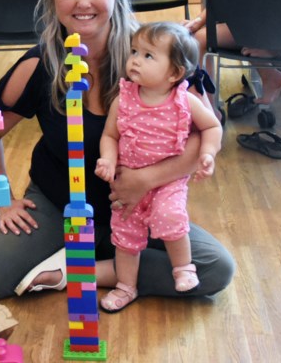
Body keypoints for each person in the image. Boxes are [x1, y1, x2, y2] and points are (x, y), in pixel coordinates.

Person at [0, 0, 235, 305]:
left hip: (140, 203)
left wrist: (145, 180)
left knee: (214, 269)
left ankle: (72, 269)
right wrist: (3, 201)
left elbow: (203, 136)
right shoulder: (38, 65)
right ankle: (4, 226)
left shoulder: (157, 54)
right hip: (59, 203)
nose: (84, 4)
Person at [94, 22, 222, 312]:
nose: (135, 59)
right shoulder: (123, 99)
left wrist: (208, 154)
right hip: (127, 183)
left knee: (171, 215)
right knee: (126, 239)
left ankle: (183, 269)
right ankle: (126, 287)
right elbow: (110, 135)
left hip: (167, 183)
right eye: (135, 51)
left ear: (175, 73)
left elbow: (212, 126)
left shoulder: (185, 101)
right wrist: (108, 160)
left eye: (148, 56)